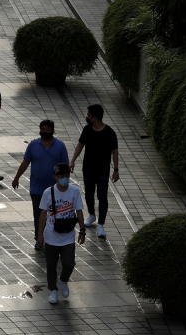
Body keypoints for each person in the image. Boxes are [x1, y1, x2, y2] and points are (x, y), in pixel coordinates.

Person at [12, 120, 69, 250]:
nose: (45, 131)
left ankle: (54, 238)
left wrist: (64, 184)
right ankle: (39, 238)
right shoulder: (33, 145)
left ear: (53, 130)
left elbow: (65, 167)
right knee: (38, 214)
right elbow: (26, 162)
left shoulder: (60, 146)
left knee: (55, 214)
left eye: (47, 129)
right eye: (42, 129)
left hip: (55, 188)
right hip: (36, 188)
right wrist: (17, 177)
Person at [37, 163, 86, 305]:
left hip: (68, 236)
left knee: (69, 263)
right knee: (51, 266)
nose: (64, 178)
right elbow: (43, 215)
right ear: (55, 177)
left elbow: (79, 211)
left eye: (67, 175)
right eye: (61, 176)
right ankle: (53, 290)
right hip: (51, 236)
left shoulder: (74, 191)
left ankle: (63, 281)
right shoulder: (48, 192)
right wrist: (40, 235)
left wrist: (82, 230)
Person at [69, 104, 119, 239]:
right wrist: (72, 160)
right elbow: (80, 145)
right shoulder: (87, 130)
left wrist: (116, 169)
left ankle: (101, 224)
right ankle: (91, 215)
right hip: (88, 168)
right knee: (89, 193)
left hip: (103, 170)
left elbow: (115, 151)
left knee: (102, 196)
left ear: (94, 117)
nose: (87, 117)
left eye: (88, 115)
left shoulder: (109, 132)